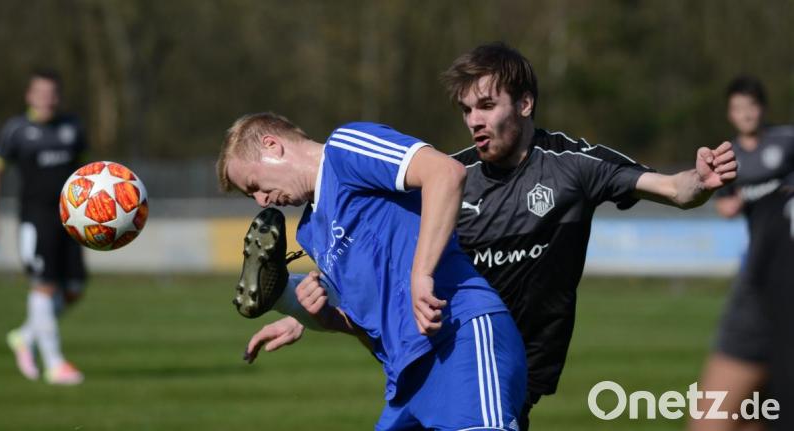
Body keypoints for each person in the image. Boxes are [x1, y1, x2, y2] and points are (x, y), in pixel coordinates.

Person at [249, 42, 738, 429]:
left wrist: (701, 180)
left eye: (486, 105)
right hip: (458, 344)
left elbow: (675, 189)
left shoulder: (574, 165)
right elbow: (383, 255)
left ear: (525, 104)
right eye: (466, 110)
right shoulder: (451, 177)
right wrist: (310, 311)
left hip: (515, 353)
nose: (474, 121)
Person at [218, 113, 528, 430]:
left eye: (254, 186)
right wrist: (319, 316)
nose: (261, 200)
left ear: (272, 145)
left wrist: (422, 274)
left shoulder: (343, 150)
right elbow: (372, 326)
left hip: (459, 341)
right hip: (407, 376)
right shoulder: (310, 231)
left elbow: (445, 172)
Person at [689, 76, 794, 431]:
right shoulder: (729, 155)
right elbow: (726, 206)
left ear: (762, 108)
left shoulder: (787, 141)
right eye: (738, 108)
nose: (746, 115)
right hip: (765, 268)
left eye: (751, 106)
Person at [0, 69, 87, 385]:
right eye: (41, 93)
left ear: (58, 96)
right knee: (44, 285)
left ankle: (25, 335)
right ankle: (55, 364)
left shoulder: (73, 128)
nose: (47, 99)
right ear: (29, 96)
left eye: (52, 93)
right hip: (35, 218)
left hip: (70, 220)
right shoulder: (16, 130)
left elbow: (86, 173)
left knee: (73, 288)